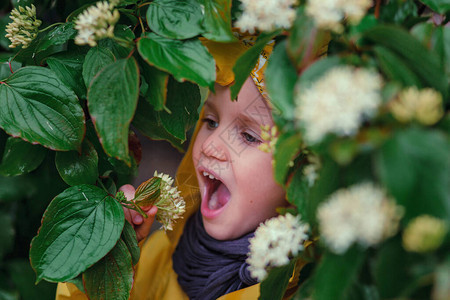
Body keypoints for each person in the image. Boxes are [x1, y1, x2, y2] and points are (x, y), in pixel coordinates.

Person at [55, 36, 312, 300]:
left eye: (248, 136)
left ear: (305, 171)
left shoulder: (303, 289)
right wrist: (109, 258)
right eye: (211, 121)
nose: (211, 144)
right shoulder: (168, 254)